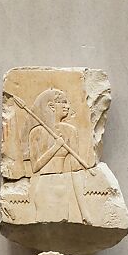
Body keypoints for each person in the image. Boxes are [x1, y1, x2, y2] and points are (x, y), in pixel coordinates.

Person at [26, 88, 87, 224]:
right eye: (63, 102)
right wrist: (55, 147)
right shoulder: (36, 133)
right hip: (45, 187)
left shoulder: (70, 131)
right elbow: (35, 167)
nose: (68, 106)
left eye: (68, 103)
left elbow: (74, 172)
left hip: (63, 188)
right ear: (52, 106)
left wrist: (84, 211)